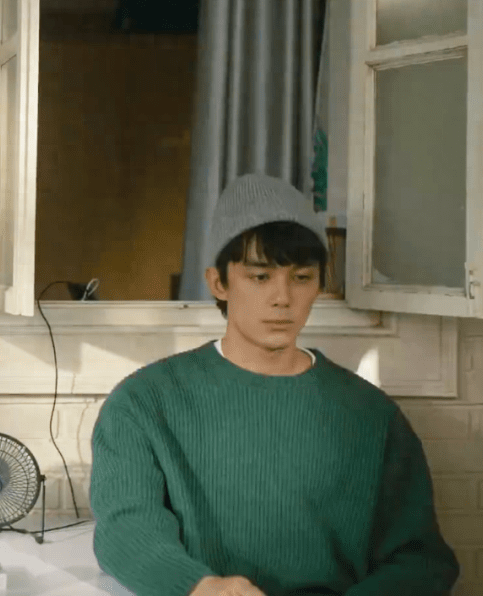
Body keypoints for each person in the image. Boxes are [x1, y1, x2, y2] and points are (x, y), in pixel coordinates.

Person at [89, 174, 458, 596]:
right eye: (260, 277)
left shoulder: (373, 415)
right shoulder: (143, 402)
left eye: (301, 277)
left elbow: (420, 560)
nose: (282, 298)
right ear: (218, 283)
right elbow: (125, 529)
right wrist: (201, 587)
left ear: (318, 286)